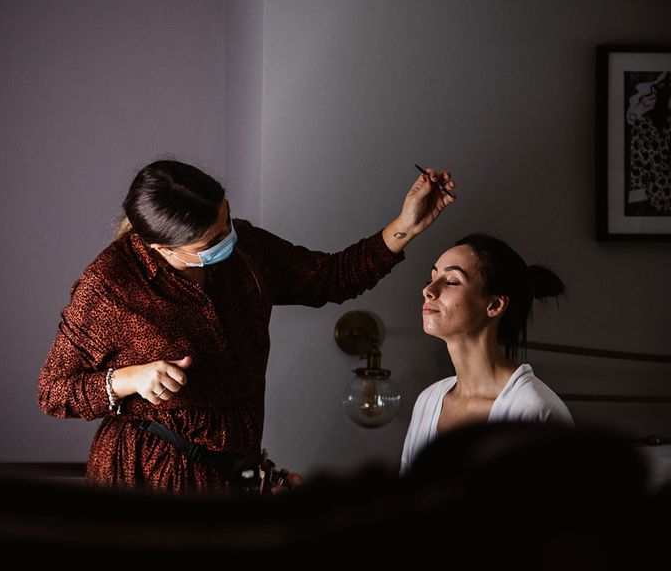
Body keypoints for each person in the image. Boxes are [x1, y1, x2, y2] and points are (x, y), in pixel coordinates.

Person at [38, 159, 456, 493]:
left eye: (228, 222)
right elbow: (53, 391)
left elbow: (330, 277)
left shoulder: (247, 250)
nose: (229, 239)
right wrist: (128, 379)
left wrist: (408, 224)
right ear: (161, 247)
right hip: (149, 474)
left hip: (233, 472)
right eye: (211, 241)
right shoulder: (109, 285)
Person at [400, 233, 574, 475]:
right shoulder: (428, 400)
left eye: (451, 281)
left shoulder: (534, 409)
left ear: (494, 305)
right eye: (432, 277)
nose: (428, 290)